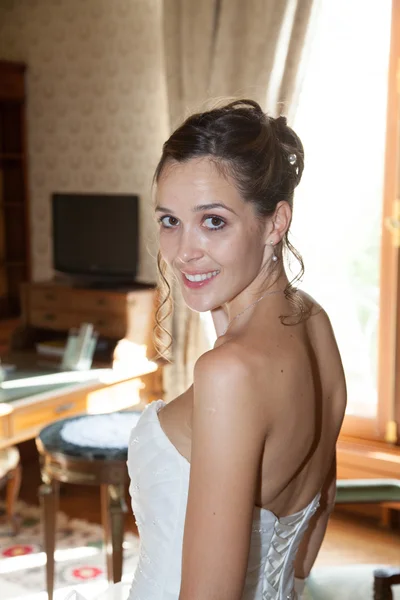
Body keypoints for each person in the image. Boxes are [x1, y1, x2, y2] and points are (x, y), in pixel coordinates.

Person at [126, 99, 347, 600]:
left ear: (274, 223)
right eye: (169, 221)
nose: (184, 251)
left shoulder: (229, 373)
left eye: (214, 222)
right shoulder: (316, 324)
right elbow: (310, 540)